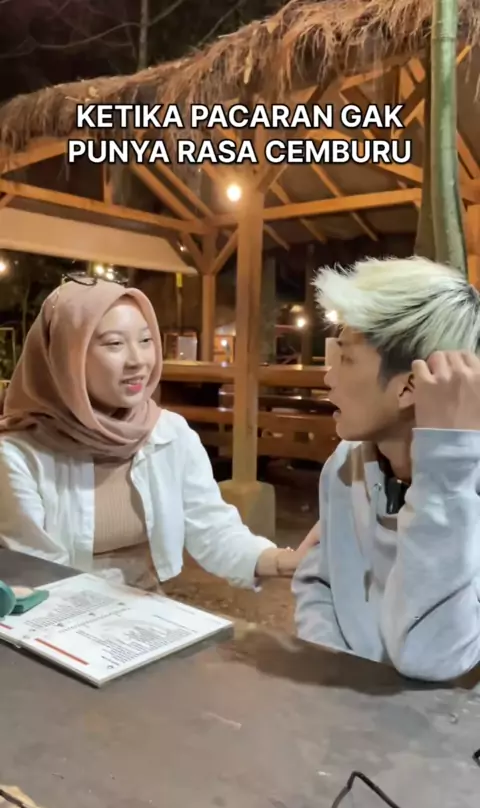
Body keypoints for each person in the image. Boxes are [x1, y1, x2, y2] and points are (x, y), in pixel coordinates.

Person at [0, 275, 299, 591]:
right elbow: (37, 573)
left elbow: (213, 529)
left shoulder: (169, 433)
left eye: (145, 340)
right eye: (114, 343)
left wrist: (282, 561)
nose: (138, 361)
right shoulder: (19, 454)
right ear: (65, 357)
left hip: (147, 609)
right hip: (60, 613)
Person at [292, 256, 480, 682]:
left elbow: (429, 655)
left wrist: (445, 472)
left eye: (346, 358)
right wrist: (336, 673)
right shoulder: (345, 464)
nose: (328, 377)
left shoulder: (463, 486)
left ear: (410, 385)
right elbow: (318, 582)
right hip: (347, 706)